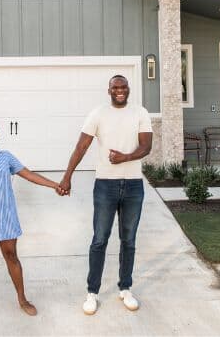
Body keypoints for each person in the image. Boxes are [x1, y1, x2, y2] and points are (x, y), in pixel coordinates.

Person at [59, 75, 153, 315]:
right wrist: (67, 176)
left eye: (123, 87)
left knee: (128, 240)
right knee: (100, 239)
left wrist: (125, 157)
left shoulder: (140, 113)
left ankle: (125, 288)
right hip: (105, 186)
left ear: (128, 89)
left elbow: (146, 146)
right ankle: (92, 292)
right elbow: (81, 146)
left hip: (133, 185)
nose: (119, 90)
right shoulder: (98, 113)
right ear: (109, 90)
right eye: (115, 87)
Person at [0, 122, 66, 317]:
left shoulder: (5, 157)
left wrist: (55, 185)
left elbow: (29, 175)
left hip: (5, 216)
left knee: (11, 256)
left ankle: (23, 300)